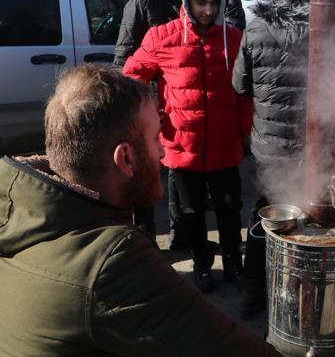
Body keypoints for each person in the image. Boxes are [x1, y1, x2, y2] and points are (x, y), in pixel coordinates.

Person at [0, 64, 280, 357]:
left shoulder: (17, 206)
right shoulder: (110, 259)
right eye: (156, 138)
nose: (162, 152)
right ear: (125, 158)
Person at [232, 0, 335, 317]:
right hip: (319, 150)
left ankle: (253, 294)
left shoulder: (257, 24)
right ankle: (307, 305)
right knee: (316, 221)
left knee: (265, 217)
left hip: (271, 149)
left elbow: (240, 84)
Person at [123, 0, 252, 294]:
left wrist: (245, 129)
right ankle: (202, 263)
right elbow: (132, 75)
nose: (208, 11)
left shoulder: (235, 39)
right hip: (182, 146)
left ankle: (234, 264)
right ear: (187, 1)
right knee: (190, 211)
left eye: (213, 3)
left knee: (229, 208)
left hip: (226, 144)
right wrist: (154, 117)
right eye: (200, 3)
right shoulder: (162, 36)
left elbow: (244, 91)